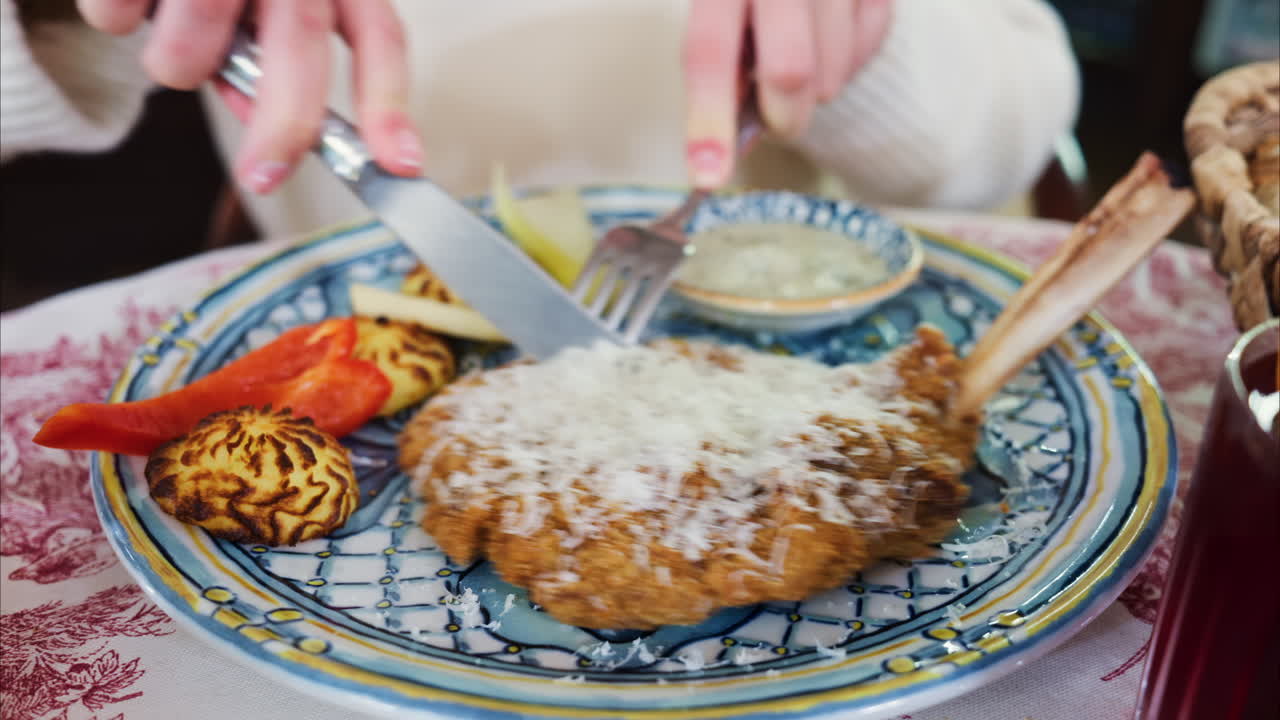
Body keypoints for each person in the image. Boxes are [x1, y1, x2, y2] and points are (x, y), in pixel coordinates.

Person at [1, 0, 1079, 241]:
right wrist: (63, 16)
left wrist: (869, 40)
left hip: (788, 314)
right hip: (340, 328)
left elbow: (1007, 137)